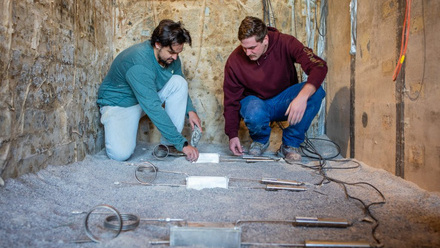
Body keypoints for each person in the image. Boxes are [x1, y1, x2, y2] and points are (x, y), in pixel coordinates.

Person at [223, 16, 327, 163]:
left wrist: (302, 97)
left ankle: (290, 144)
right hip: (256, 104)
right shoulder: (234, 61)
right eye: (244, 47)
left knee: (316, 91)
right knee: (253, 107)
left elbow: (319, 66)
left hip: (285, 102)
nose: (247, 53)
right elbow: (231, 101)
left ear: (265, 39)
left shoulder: (285, 42)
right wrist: (232, 135)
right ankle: (260, 141)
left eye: (252, 48)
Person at [97, 19, 202, 162]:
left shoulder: (172, 58)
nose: (175, 57)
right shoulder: (139, 63)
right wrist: (182, 144)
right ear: (158, 44)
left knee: (179, 83)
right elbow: (153, 107)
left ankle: (169, 145)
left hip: (146, 98)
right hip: (120, 104)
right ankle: (176, 141)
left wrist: (191, 111)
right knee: (120, 154)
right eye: (171, 52)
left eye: (178, 52)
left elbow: (179, 78)